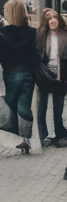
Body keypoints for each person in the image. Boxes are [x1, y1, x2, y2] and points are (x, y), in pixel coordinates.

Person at [0, 0, 37, 155]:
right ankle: (26, 138)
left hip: (10, 74)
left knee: (12, 103)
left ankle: (16, 134)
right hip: (28, 74)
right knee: (24, 106)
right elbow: (35, 56)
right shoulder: (31, 33)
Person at [35, 8, 67, 147]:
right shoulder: (41, 36)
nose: (53, 21)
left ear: (59, 20)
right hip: (44, 75)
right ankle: (43, 135)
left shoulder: (65, 36)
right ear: (46, 21)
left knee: (58, 109)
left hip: (60, 76)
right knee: (41, 108)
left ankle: (59, 134)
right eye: (49, 18)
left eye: (55, 18)